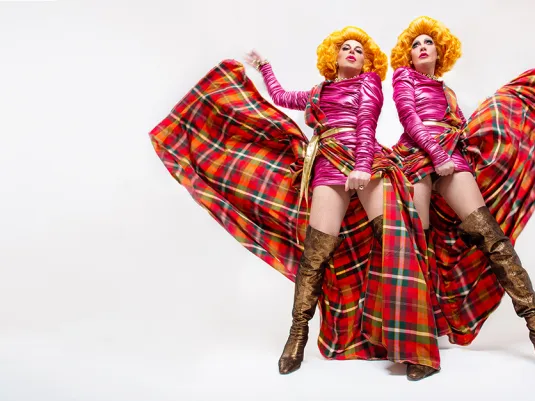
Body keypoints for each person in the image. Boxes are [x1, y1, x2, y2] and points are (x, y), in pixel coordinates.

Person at [150, 26, 439, 380]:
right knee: (315, 253)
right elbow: (281, 96)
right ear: (333, 56)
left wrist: (363, 166)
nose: (352, 52)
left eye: (359, 50)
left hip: (366, 160)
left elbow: (366, 125)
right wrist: (265, 67)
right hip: (328, 161)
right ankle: (297, 335)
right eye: (345, 48)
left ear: (367, 61)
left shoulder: (369, 84)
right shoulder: (319, 92)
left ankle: (415, 344)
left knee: (395, 241)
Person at [388, 16, 535, 380]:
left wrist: (474, 141)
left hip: (449, 157)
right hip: (414, 159)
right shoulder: (403, 78)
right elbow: (409, 118)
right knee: (416, 250)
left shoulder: (447, 92)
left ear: (440, 51)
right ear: (408, 55)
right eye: (415, 44)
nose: (422, 48)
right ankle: (419, 346)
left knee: (492, 238)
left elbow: (458, 127)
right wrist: (436, 154)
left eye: (428, 43)